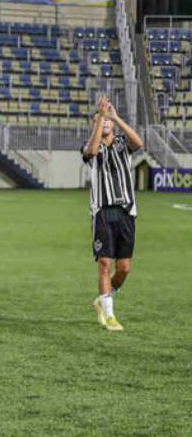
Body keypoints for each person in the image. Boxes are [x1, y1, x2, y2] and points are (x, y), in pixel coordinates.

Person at [82, 95, 143, 332]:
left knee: (124, 268)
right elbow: (93, 150)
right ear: (95, 124)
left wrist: (116, 117)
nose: (105, 122)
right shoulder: (89, 148)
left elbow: (138, 143)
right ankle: (109, 316)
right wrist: (100, 119)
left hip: (126, 211)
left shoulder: (121, 144)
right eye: (100, 120)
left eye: (107, 121)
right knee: (105, 263)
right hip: (103, 213)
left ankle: (104, 297)